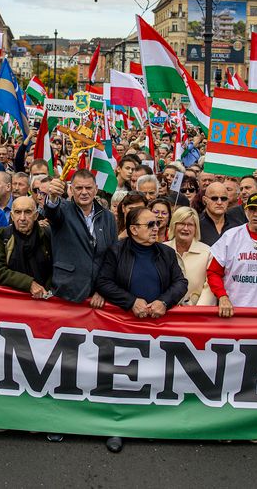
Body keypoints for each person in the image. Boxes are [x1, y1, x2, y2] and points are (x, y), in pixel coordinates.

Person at [95, 205, 187, 453]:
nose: (156, 228)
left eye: (157, 224)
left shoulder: (165, 253)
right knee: (122, 378)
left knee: (154, 378)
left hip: (158, 327)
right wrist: (129, 301)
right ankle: (117, 428)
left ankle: (150, 425)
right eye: (150, 225)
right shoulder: (116, 251)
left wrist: (164, 302)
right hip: (124, 327)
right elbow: (103, 281)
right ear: (133, 229)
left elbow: (181, 282)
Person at [41, 171, 115, 306]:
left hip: (97, 294)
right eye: (79, 188)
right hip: (67, 292)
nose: (84, 192)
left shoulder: (108, 217)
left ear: (96, 189)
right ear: (71, 189)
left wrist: (103, 290)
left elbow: (112, 257)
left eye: (88, 188)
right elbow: (51, 212)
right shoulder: (62, 209)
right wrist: (52, 197)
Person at [0, 196, 53, 296]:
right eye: (17, 212)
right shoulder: (2, 236)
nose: (22, 218)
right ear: (12, 216)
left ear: (36, 216)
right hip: (12, 300)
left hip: (44, 299)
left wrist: (47, 291)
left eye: (28, 212)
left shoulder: (47, 236)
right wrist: (28, 284)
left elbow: (57, 268)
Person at [165, 206, 212, 306]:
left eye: (190, 225)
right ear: (174, 225)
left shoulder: (207, 252)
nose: (185, 228)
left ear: (196, 228)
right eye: (181, 223)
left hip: (195, 314)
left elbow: (209, 287)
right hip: (165, 312)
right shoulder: (162, 250)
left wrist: (198, 312)